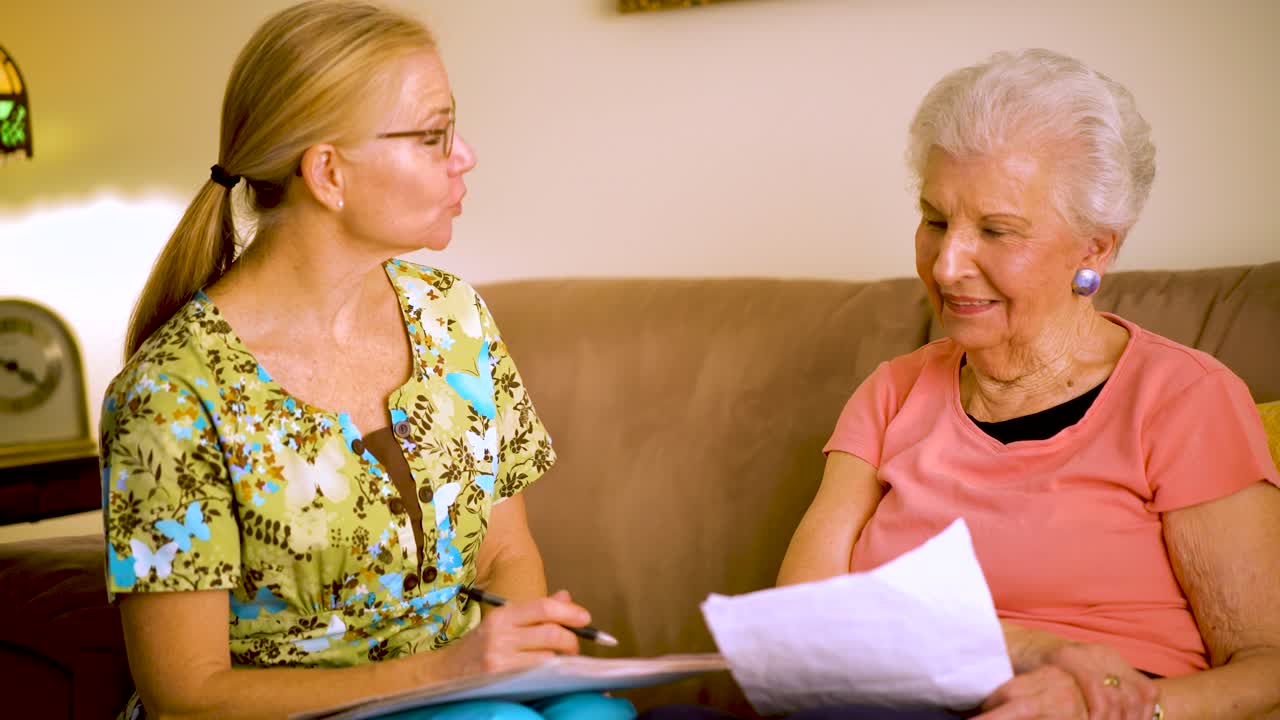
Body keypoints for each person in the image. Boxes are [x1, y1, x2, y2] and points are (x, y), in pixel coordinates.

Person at [639, 49, 1280, 720]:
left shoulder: (1183, 399)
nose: (946, 266)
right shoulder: (892, 393)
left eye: (996, 231)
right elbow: (803, 626)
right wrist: (1025, 647)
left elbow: (1267, 664)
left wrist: (1118, 709)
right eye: (935, 221)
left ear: (1095, 247)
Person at [99, 2, 636, 719]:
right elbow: (185, 696)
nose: (465, 154)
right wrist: (449, 676)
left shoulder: (456, 318)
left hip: (469, 700)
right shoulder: (170, 394)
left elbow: (507, 553)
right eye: (433, 135)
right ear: (327, 173)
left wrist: (522, 662)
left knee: (592, 715)